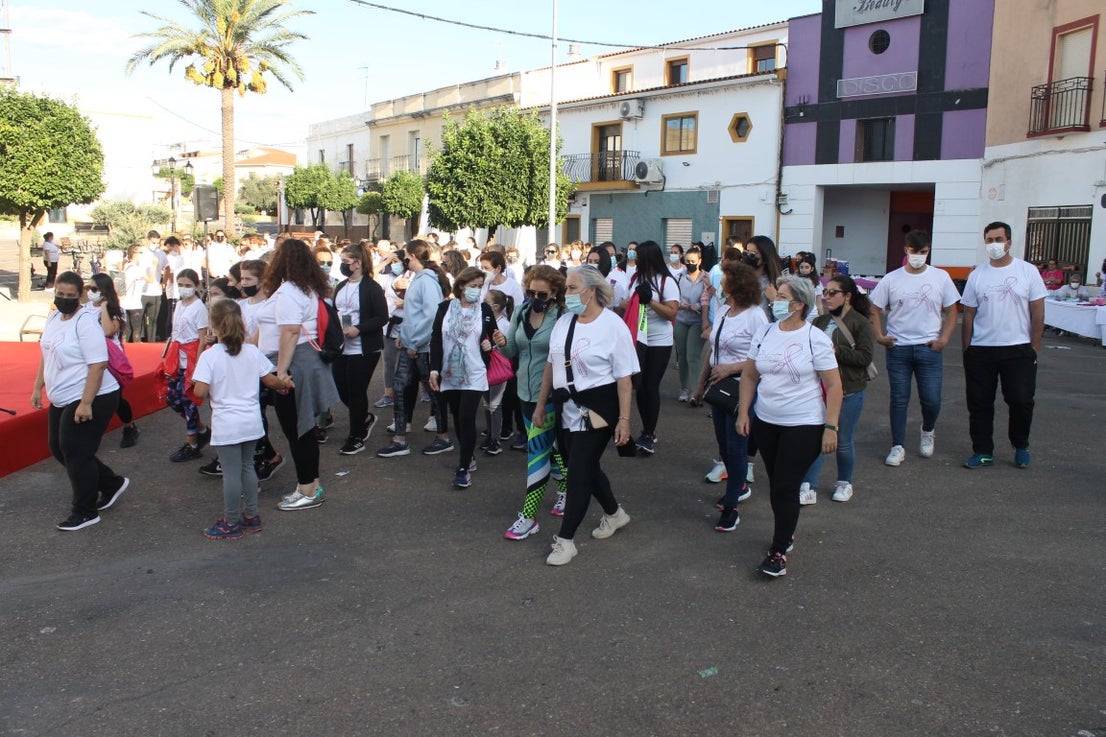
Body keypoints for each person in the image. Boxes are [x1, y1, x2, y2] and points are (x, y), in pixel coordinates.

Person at [533, 266, 639, 566]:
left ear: (590, 291)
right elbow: (551, 367)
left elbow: (624, 379)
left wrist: (624, 419)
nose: (565, 294)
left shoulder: (613, 326)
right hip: (565, 407)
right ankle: (615, 513)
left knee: (578, 471)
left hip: (598, 408)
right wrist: (542, 405)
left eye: (571, 288)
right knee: (583, 466)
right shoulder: (563, 323)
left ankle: (566, 541)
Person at [737, 275, 842, 578]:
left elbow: (834, 386)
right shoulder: (766, 331)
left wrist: (831, 427)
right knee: (777, 485)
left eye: (781, 296)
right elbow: (749, 376)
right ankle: (787, 532)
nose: (774, 300)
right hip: (766, 422)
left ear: (798, 304)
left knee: (785, 485)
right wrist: (744, 412)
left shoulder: (815, 338)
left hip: (805, 424)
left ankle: (779, 550)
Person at [31, 271, 129, 531]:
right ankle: (110, 483)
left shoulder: (85, 322)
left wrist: (86, 403)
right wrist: (38, 386)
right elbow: (47, 352)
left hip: (91, 394)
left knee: (75, 451)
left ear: (80, 295)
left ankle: (85, 510)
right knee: (58, 447)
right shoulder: (54, 317)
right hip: (62, 395)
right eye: (60, 294)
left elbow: (98, 364)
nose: (64, 299)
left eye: (70, 295)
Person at [192, 299, 292, 540]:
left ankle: (231, 521)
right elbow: (270, 381)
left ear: (214, 325)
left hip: (227, 424)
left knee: (231, 473)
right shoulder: (251, 351)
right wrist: (284, 384)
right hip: (251, 421)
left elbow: (199, 392)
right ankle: (251, 515)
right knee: (248, 468)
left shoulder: (210, 356)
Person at [258, 238, 342, 510]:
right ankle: (309, 487)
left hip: (295, 365)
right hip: (302, 362)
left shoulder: (290, 291)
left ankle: (308, 489)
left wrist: (280, 373)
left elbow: (290, 332)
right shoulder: (304, 289)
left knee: (298, 430)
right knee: (301, 430)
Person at [868, 230, 961, 466]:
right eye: (914, 251)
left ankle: (928, 430)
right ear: (906, 250)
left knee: (931, 399)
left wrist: (944, 339)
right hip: (898, 347)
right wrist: (879, 335)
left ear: (928, 251)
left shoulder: (941, 277)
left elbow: (952, 310)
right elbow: (874, 308)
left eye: (923, 252)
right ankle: (897, 445)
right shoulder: (891, 279)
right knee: (899, 399)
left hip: (929, 348)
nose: (918, 256)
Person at [960, 222, 1047, 469]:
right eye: (989, 240)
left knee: (1021, 400)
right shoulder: (977, 275)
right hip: (981, 349)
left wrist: (1034, 347)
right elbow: (968, 315)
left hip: (1018, 348)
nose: (994, 245)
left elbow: (1038, 312)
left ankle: (1021, 445)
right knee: (979, 402)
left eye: (998, 239)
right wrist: (967, 349)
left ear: (1009, 241)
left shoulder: (1027, 271)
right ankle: (983, 450)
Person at [692, 260, 767, 531]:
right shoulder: (723, 310)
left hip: (741, 387)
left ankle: (732, 505)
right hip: (718, 388)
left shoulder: (755, 315)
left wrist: (730, 368)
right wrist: (700, 385)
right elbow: (713, 353)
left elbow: (762, 357)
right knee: (723, 444)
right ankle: (739, 485)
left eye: (724, 278)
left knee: (736, 447)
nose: (720, 282)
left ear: (737, 283)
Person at [501, 265, 570, 539]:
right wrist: (498, 341)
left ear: (554, 293)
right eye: (530, 292)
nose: (534, 297)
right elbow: (511, 350)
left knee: (537, 453)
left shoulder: (563, 317)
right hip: (524, 393)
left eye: (541, 293)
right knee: (548, 446)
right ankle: (565, 487)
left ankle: (529, 517)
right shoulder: (521, 311)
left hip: (552, 396)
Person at [798, 276, 874, 505]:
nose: (827, 297)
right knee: (815, 439)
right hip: (819, 390)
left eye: (833, 293)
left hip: (850, 389)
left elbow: (865, 357)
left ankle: (844, 482)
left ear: (847, 296)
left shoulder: (860, 322)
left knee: (843, 440)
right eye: (825, 293)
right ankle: (809, 486)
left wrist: (836, 351)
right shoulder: (819, 321)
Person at [376, 240, 454, 458]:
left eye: (406, 257)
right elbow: (415, 315)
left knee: (433, 391)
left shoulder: (426, 281)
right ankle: (400, 438)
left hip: (423, 347)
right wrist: (404, 336)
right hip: (414, 344)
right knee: (401, 388)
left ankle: (443, 437)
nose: (404, 261)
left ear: (413, 256)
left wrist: (416, 342)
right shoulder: (420, 279)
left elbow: (431, 316)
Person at [428, 267, 501, 488]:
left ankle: (462, 467)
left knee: (467, 418)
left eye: (480, 287)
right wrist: (434, 369)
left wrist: (492, 343)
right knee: (458, 418)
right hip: (449, 373)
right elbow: (436, 339)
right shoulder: (445, 309)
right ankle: (468, 455)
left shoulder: (485, 309)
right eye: (473, 286)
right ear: (461, 286)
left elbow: (495, 336)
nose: (477, 291)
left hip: (475, 372)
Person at [332, 242, 388, 455]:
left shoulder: (371, 287)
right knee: (340, 387)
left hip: (364, 348)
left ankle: (356, 436)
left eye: (345, 261)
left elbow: (382, 317)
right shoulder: (342, 286)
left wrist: (359, 329)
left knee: (356, 391)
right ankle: (364, 417)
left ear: (357, 263)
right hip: (342, 347)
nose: (342, 265)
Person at [626, 240, 679, 454]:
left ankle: (649, 432)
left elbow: (672, 312)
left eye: (638, 256)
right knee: (639, 385)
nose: (635, 259)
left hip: (659, 341)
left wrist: (650, 302)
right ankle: (646, 431)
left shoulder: (667, 281)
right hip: (639, 339)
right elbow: (627, 304)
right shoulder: (635, 279)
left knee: (650, 386)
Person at [84, 272, 141, 448]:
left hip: (110, 359)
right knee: (89, 393)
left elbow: (108, 331)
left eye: (94, 289)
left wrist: (104, 308)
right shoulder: (84, 307)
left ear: (104, 291)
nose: (90, 292)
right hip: (88, 356)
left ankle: (129, 426)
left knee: (116, 399)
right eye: (89, 288)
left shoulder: (115, 309)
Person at [161, 268, 210, 461]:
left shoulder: (199, 308)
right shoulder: (179, 305)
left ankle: (192, 444)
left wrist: (197, 366)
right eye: (180, 284)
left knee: (187, 400)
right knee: (173, 399)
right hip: (177, 357)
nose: (183, 288)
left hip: (190, 359)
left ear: (196, 286)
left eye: (188, 285)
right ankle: (202, 430)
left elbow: (202, 338)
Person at [480, 289, 514, 456]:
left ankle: (496, 440)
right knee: (488, 404)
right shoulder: (485, 319)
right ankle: (490, 434)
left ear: (495, 306)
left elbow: (506, 348)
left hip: (498, 368)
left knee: (495, 404)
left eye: (486, 301)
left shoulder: (505, 324)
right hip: (486, 367)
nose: (482, 303)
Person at [674, 246, 708, 403]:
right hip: (681, 319)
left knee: (692, 356)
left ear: (699, 261)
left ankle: (696, 391)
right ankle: (684, 388)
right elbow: (674, 296)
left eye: (693, 261)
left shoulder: (706, 278)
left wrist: (699, 307)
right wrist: (681, 304)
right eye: (687, 261)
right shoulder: (679, 277)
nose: (690, 264)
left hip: (697, 321)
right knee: (682, 354)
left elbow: (710, 299)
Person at [140, 230, 169, 342]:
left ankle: (150, 341)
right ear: (148, 240)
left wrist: (164, 282)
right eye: (153, 242)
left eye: (157, 243)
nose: (155, 245)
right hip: (142, 291)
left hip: (155, 292)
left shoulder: (161, 254)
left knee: (151, 319)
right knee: (140, 318)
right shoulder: (141, 253)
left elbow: (167, 268)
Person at [120, 244, 146, 343]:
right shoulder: (136, 269)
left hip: (124, 302)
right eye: (140, 253)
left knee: (126, 330)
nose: (141, 255)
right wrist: (154, 265)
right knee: (136, 329)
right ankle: (137, 350)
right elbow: (150, 279)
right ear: (134, 254)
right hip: (134, 302)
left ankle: (124, 348)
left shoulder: (125, 267)